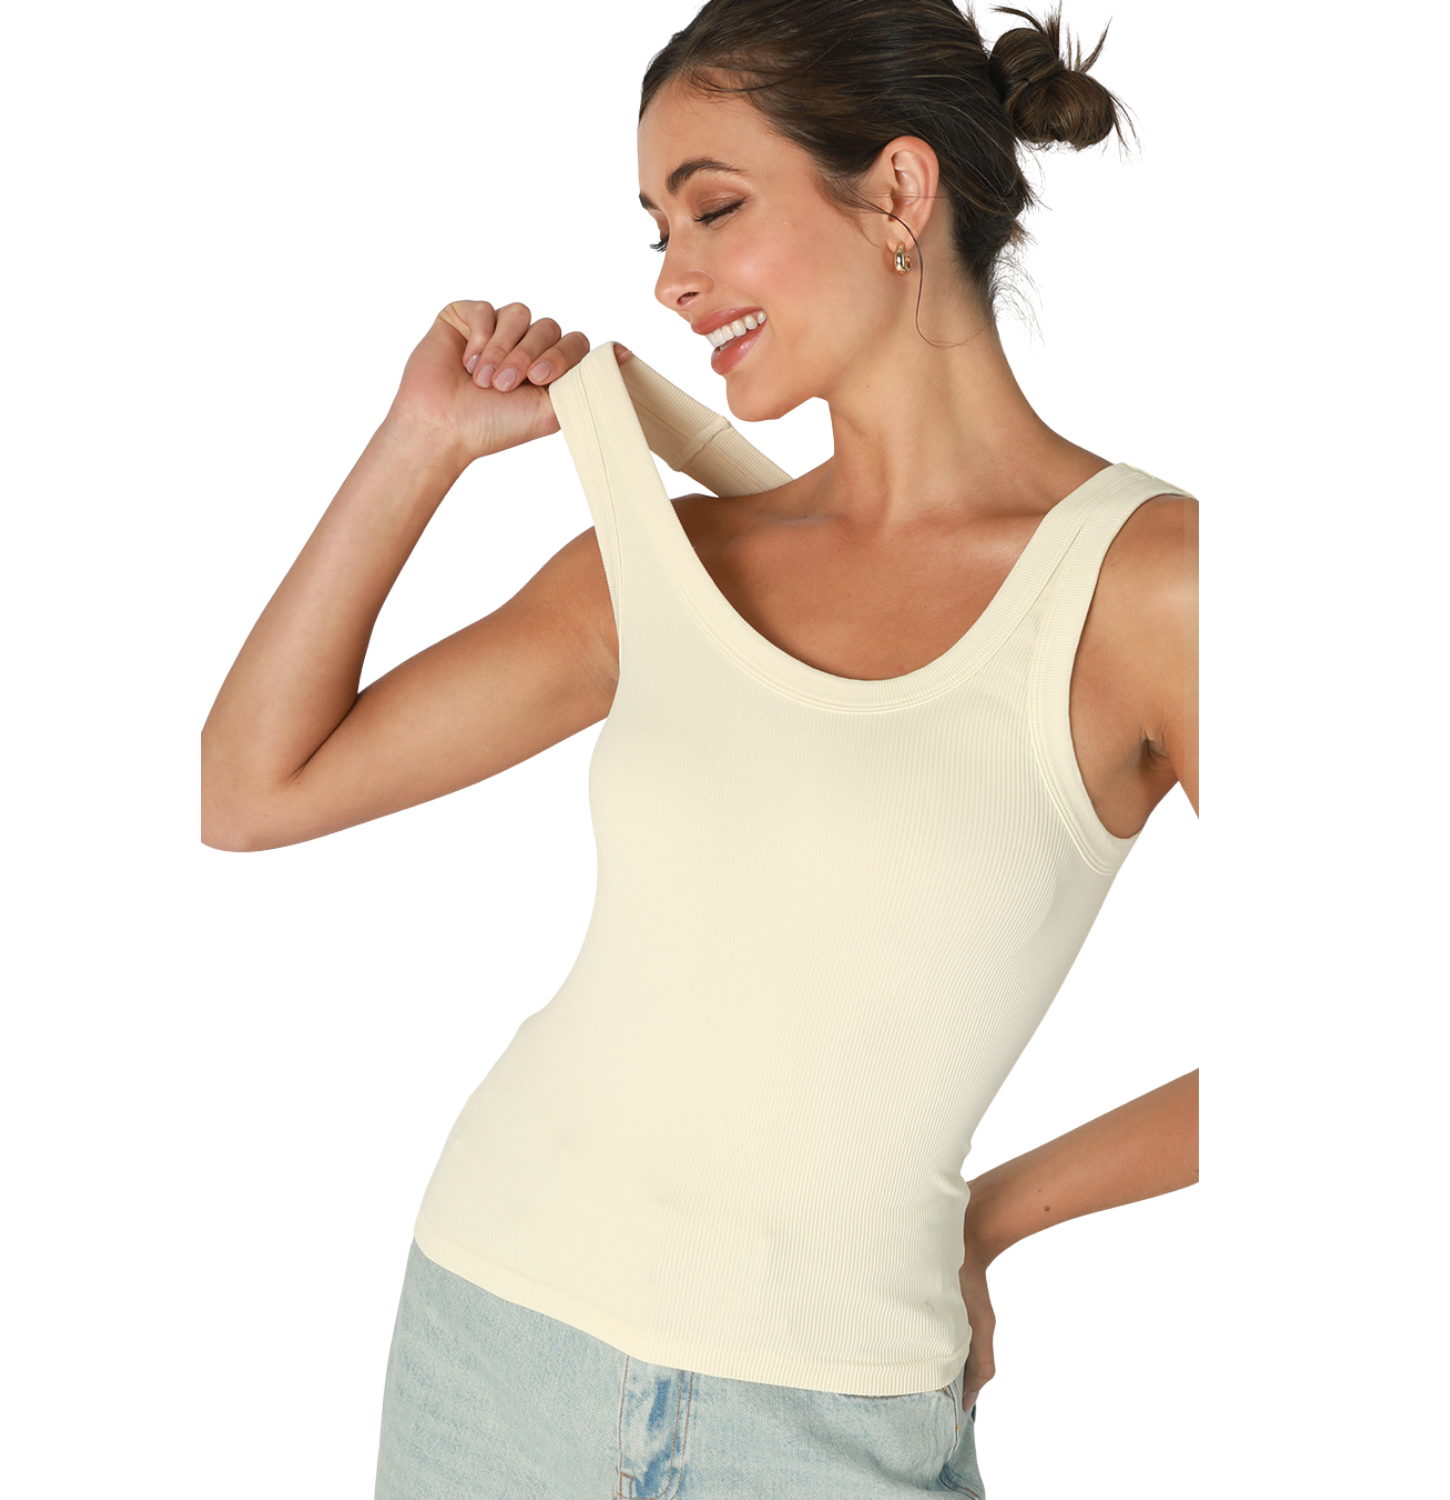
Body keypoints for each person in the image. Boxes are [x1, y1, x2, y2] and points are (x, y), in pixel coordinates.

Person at [200, 0, 1198, 1493]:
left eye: (715, 209)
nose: (672, 278)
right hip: (496, 1341)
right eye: (657, 231)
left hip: (829, 1408)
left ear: (900, 191)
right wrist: (421, 442)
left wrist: (990, 1216)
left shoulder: (1151, 585)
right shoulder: (666, 563)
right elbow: (249, 789)